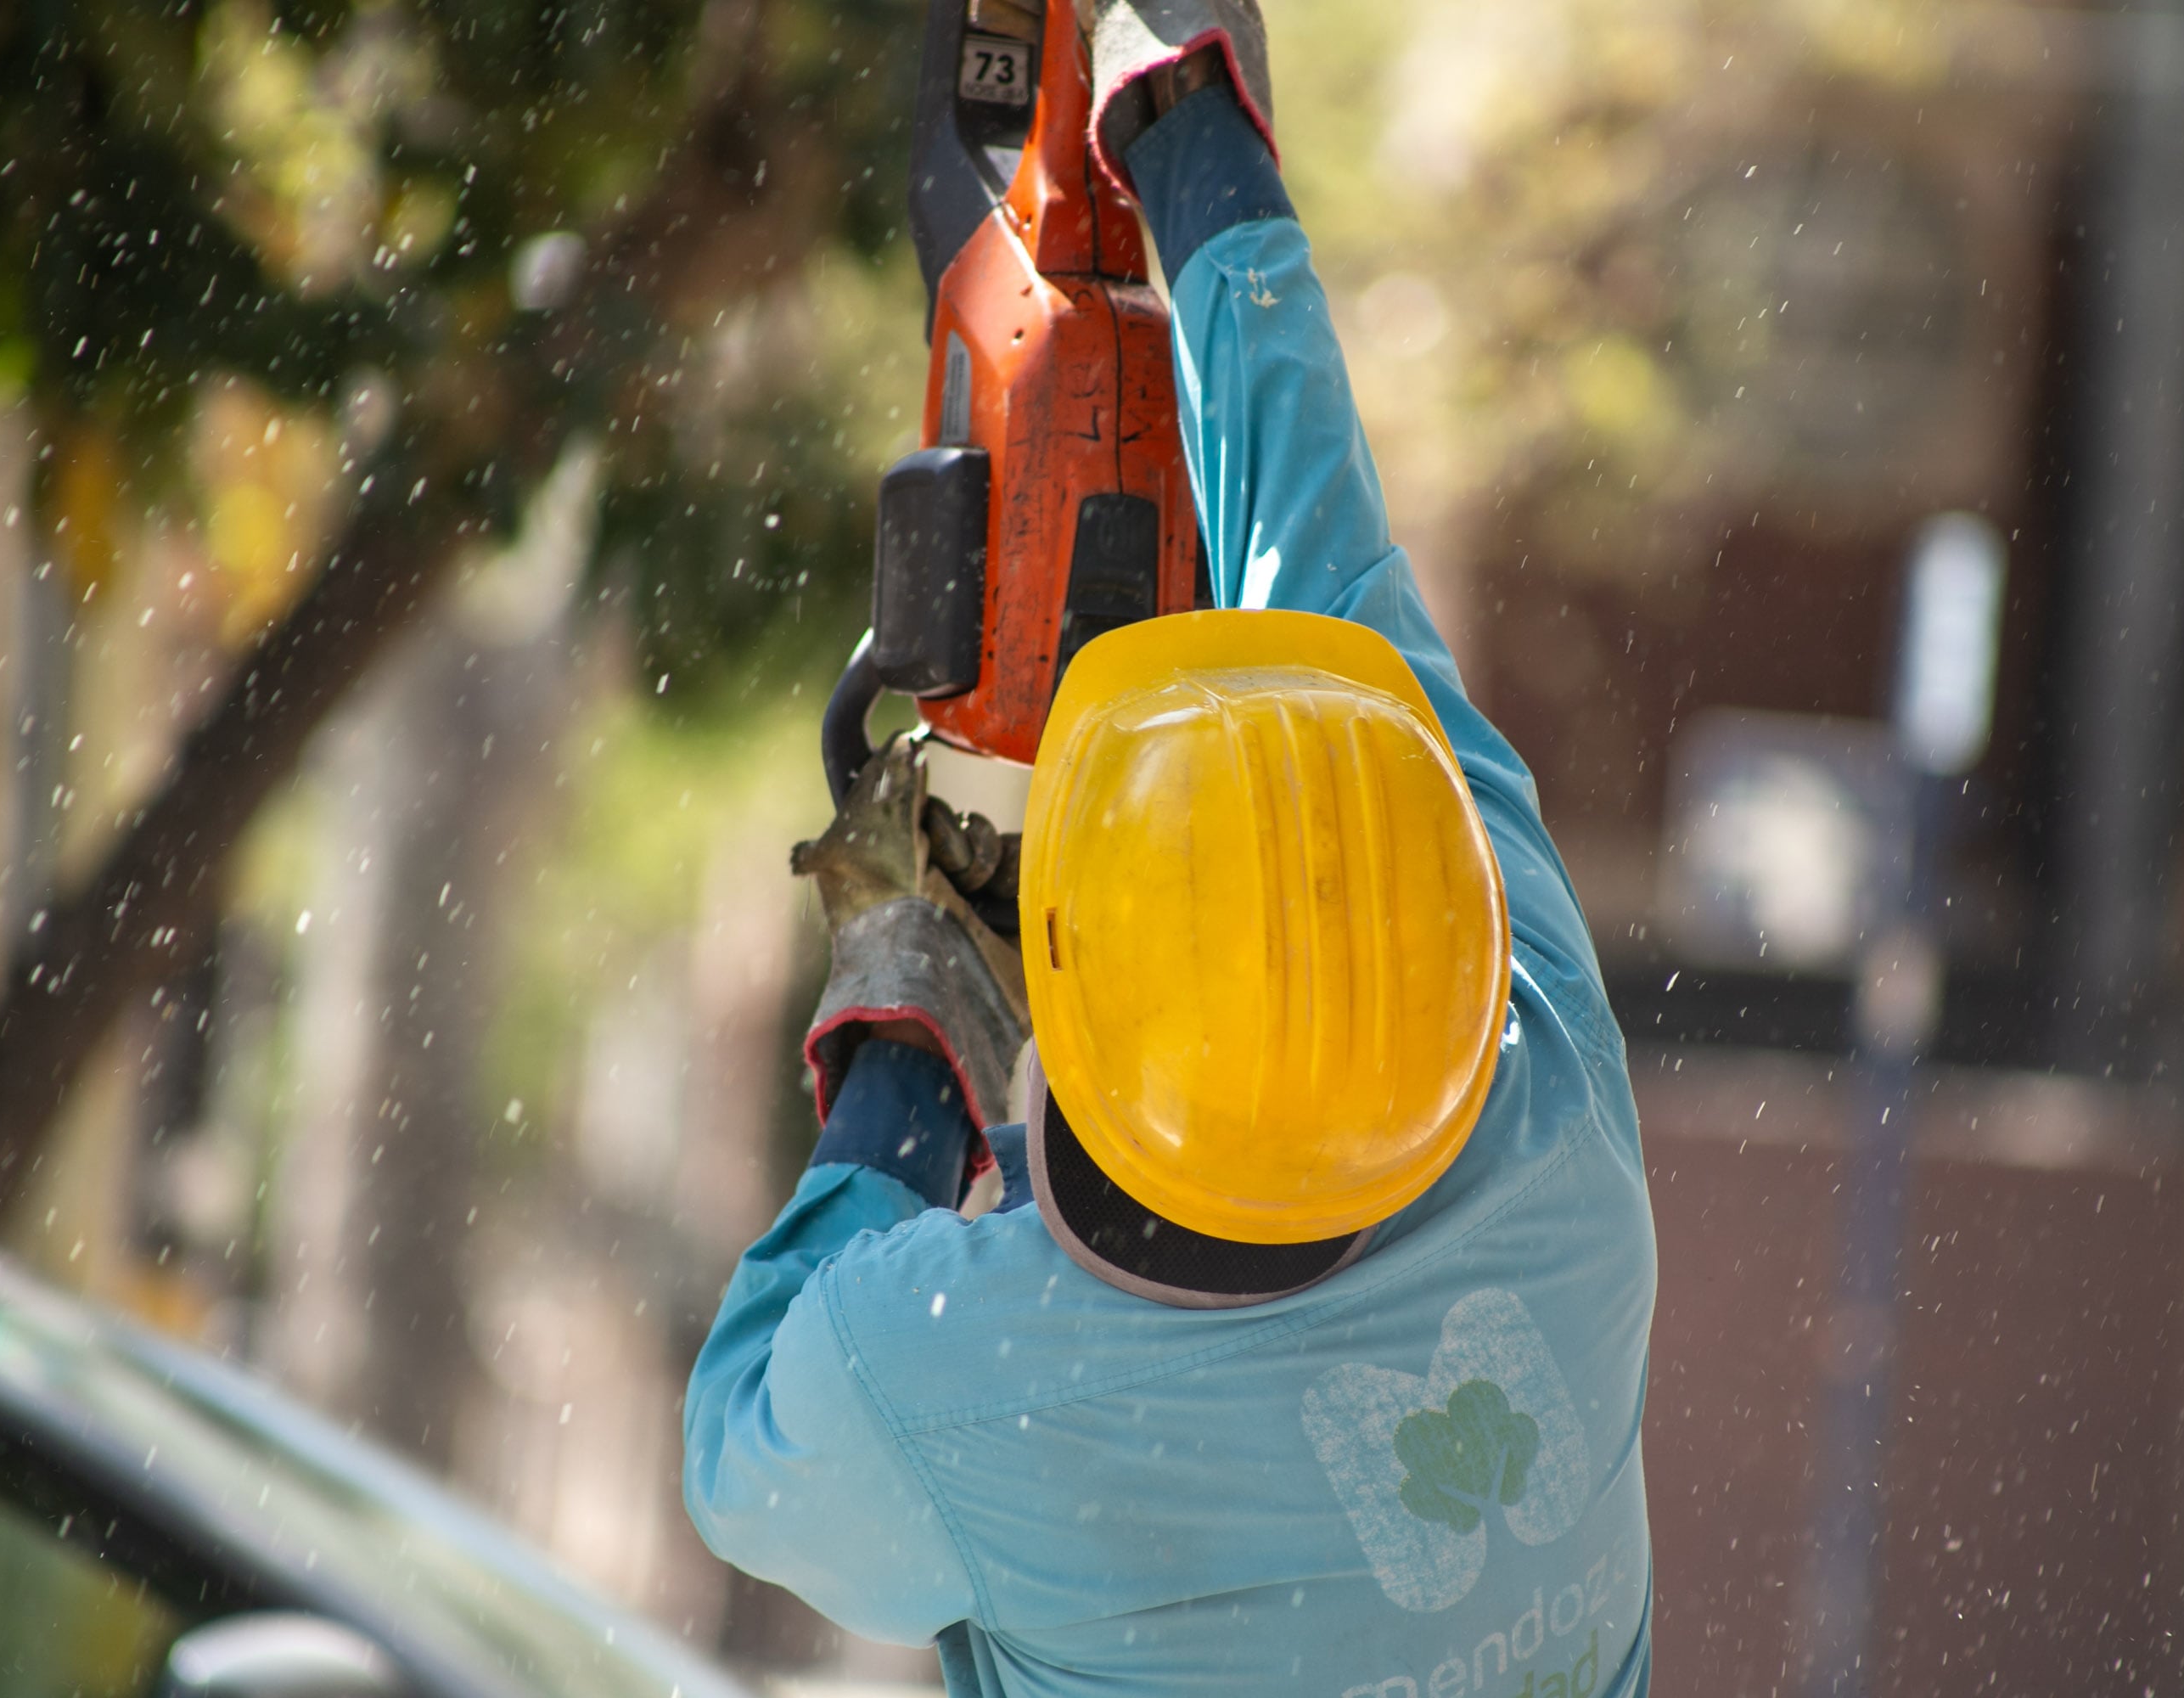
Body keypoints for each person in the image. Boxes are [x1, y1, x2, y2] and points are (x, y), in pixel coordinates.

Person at [682, 11, 1655, 1693]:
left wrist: (918, 1013)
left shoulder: (982, 1380)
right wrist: (1185, 124)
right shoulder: (1549, 1115)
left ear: (1093, 1024)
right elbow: (1318, 548)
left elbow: (745, 1431)